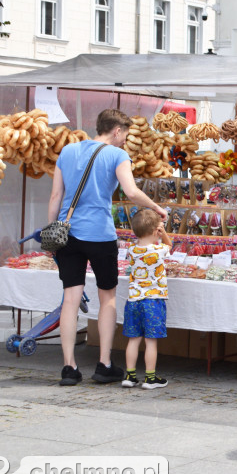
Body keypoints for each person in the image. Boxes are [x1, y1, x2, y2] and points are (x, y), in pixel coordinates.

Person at [48, 109, 168, 386]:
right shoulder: (117, 155)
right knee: (108, 298)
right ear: (116, 131)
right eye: (125, 134)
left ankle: (69, 368)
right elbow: (131, 192)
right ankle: (104, 364)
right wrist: (156, 207)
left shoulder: (67, 151)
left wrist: (52, 232)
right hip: (100, 235)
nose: (126, 140)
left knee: (70, 298)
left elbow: (56, 194)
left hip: (68, 235)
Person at [122, 209, 172, 389]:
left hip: (133, 301)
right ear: (154, 231)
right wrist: (163, 232)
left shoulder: (131, 250)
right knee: (151, 341)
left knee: (133, 339)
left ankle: (130, 376)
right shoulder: (158, 250)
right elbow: (170, 245)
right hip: (153, 300)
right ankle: (150, 378)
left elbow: (141, 240)